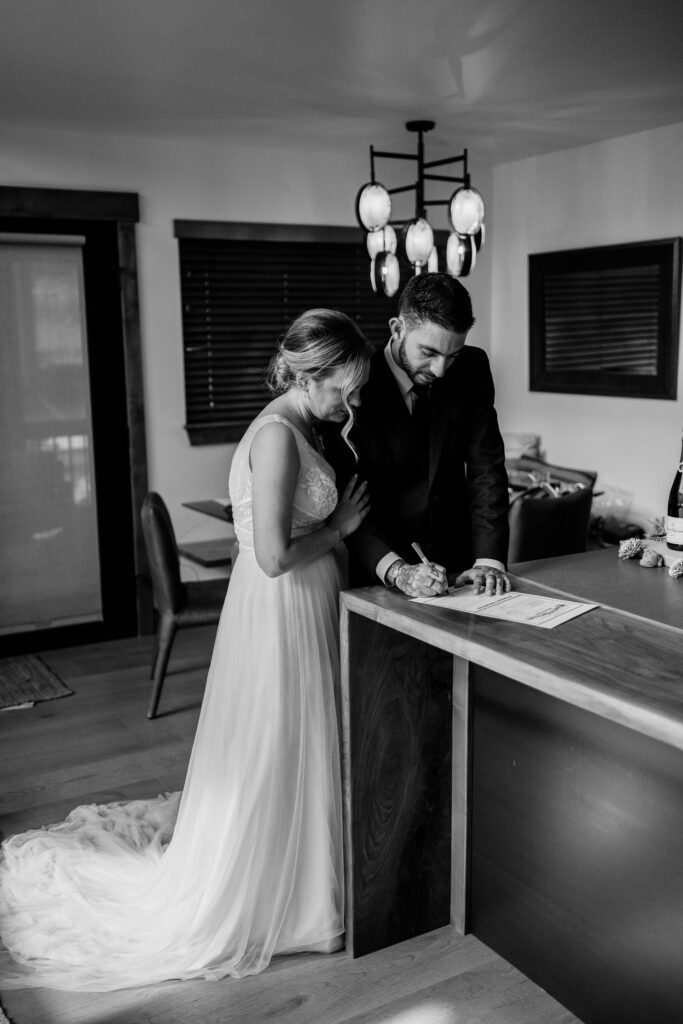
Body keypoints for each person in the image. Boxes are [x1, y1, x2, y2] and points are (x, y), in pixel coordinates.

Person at [0, 309, 372, 991]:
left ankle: (306, 882)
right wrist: (342, 528)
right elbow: (270, 556)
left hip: (299, 604)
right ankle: (285, 896)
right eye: (341, 390)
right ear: (304, 375)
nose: (348, 404)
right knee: (280, 741)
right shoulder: (278, 438)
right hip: (281, 605)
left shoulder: (297, 426)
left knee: (295, 742)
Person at [320, 273, 511, 599]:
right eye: (428, 352)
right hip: (380, 572)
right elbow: (346, 494)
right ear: (397, 329)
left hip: (461, 567)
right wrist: (398, 571)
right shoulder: (354, 380)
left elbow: (486, 468)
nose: (440, 370)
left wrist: (489, 560)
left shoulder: (472, 368)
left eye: (451, 356)